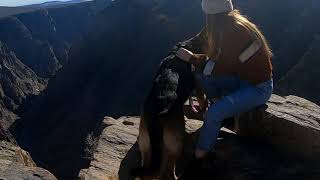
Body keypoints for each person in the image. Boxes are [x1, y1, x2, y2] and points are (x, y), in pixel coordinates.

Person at [176, 0, 273, 161]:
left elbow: (219, 67)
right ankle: (224, 113)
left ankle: (201, 154)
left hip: (258, 88)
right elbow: (220, 61)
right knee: (204, 78)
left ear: (211, 15)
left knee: (213, 113)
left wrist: (191, 58)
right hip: (243, 79)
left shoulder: (234, 32)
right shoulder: (233, 25)